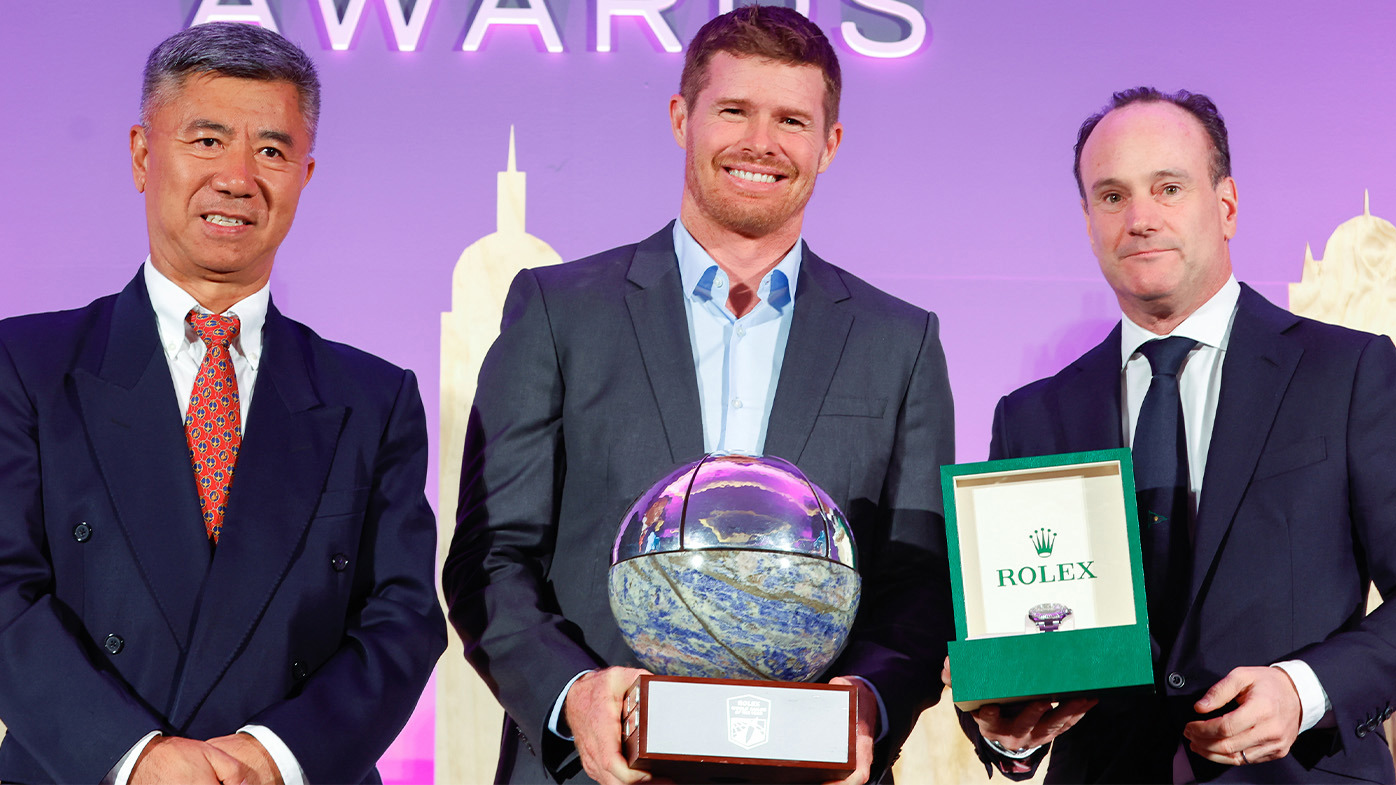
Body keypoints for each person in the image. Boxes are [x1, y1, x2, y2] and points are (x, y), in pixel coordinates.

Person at [442, 6, 955, 784]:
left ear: (830, 144)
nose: (761, 143)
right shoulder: (558, 311)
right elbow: (492, 556)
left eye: (791, 119)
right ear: (682, 118)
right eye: (734, 111)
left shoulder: (901, 342)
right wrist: (573, 694)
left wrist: (867, 703)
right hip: (596, 772)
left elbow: (920, 583)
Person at [0, 22, 445, 784]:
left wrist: (273, 754)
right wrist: (136, 757)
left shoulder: (372, 397)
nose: (239, 177)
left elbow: (401, 619)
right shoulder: (26, 366)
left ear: (307, 173)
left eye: (272, 150)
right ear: (144, 154)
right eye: (207, 140)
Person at [951, 87, 1396, 783]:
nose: (1140, 218)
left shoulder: (1346, 372)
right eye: (1112, 196)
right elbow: (1013, 644)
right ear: (1088, 219)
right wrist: (1009, 732)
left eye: (1168, 187)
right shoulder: (1033, 415)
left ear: (1226, 205)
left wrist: (1306, 689)